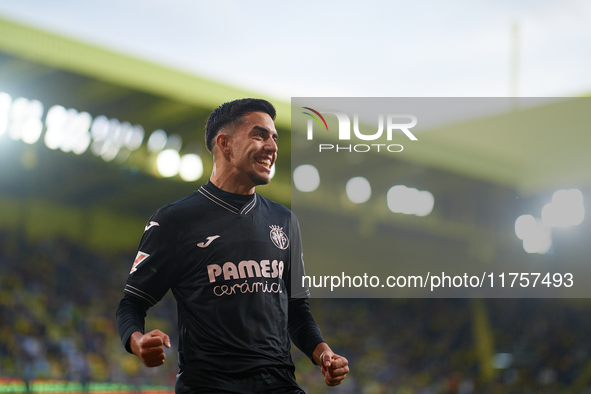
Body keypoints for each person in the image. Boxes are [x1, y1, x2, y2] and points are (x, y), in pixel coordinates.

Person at [116, 98, 349, 393]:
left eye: (274, 138)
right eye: (260, 135)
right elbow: (131, 304)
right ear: (225, 144)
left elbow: (297, 310)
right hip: (210, 385)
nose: (272, 146)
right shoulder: (174, 221)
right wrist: (137, 342)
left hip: (278, 384)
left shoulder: (285, 220)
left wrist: (323, 353)